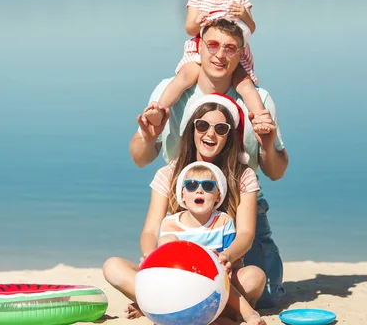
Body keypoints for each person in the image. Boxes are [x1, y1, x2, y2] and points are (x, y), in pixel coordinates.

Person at [131, 17, 289, 309]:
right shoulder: (170, 94)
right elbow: (141, 158)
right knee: (181, 283)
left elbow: (276, 172)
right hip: (186, 206)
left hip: (242, 205)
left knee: (265, 296)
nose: (219, 55)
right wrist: (147, 134)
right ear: (198, 47)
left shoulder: (259, 99)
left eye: (230, 48)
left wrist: (267, 142)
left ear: (241, 54)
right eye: (213, 45)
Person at [104, 93, 267, 324]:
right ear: (192, 129)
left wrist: (226, 257)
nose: (210, 133)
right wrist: (152, 257)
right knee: (113, 267)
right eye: (202, 125)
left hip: (221, 273)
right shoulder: (169, 174)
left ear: (228, 137)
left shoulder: (242, 176)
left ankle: (160, 306)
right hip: (175, 270)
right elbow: (150, 231)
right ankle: (210, 312)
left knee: (255, 278)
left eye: (220, 129)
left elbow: (246, 234)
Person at [144, 0, 266, 134]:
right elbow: (189, 28)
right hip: (201, 47)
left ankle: (261, 118)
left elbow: (251, 28)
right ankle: (160, 109)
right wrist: (197, 21)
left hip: (233, 51)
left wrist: (243, 14)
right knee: (186, 75)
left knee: (244, 84)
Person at [157, 161, 266, 325]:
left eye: (208, 186)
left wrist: (226, 265)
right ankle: (226, 316)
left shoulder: (224, 221)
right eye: (191, 185)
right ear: (182, 194)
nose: (199, 189)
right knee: (166, 242)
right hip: (182, 283)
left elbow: (235, 264)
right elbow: (163, 266)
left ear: (218, 196)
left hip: (219, 282)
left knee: (254, 275)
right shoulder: (170, 224)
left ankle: (244, 314)